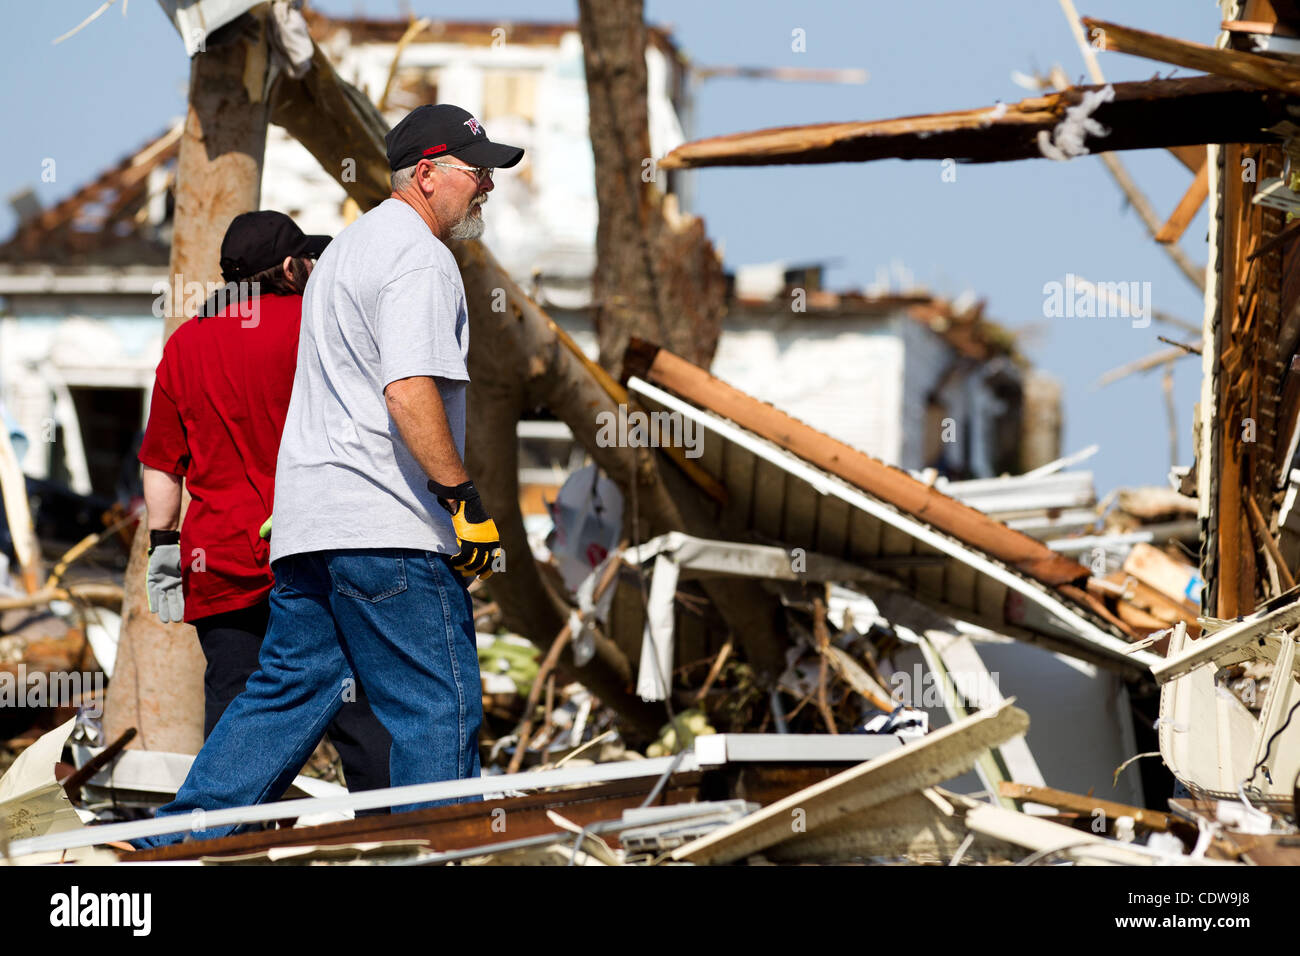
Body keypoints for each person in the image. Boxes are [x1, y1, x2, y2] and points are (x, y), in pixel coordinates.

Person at [132, 105, 522, 847]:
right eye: (479, 173)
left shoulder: (345, 249)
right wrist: (461, 500)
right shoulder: (418, 256)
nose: (487, 190)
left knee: (282, 694)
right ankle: (426, 855)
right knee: (436, 704)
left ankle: (171, 843)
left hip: (307, 531)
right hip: (387, 524)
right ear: (430, 173)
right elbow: (407, 388)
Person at [138, 210, 391, 798]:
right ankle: (392, 839)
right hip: (315, 549)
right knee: (361, 713)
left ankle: (227, 846)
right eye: (309, 260)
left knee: (237, 718)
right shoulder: (316, 324)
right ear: (289, 266)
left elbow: (161, 462)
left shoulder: (185, 344)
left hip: (218, 559)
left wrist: (162, 544)